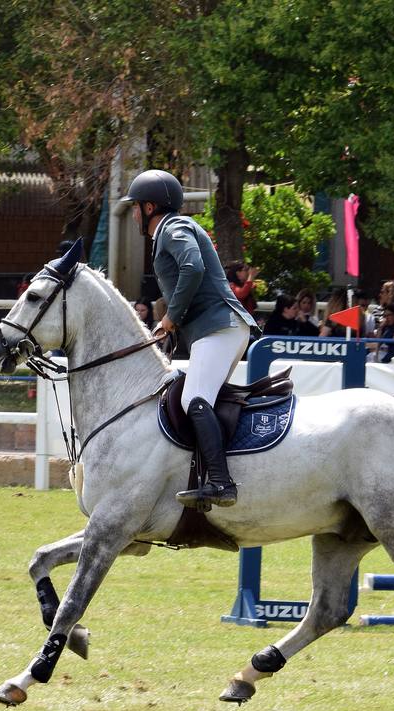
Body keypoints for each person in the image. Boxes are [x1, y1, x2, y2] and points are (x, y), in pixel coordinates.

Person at [126, 168, 255, 509]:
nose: (134, 212)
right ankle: (207, 476)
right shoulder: (169, 231)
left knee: (194, 400)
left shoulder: (173, 227)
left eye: (137, 206)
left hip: (220, 327)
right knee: (201, 401)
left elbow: (193, 268)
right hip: (217, 329)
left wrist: (171, 317)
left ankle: (222, 483)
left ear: (151, 206)